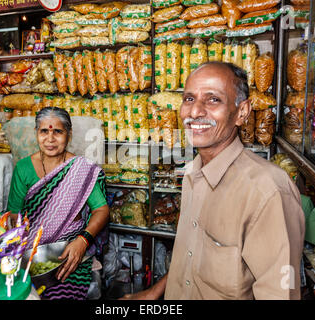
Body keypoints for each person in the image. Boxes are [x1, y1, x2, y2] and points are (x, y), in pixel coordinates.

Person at [121, 62, 305, 300]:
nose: (195, 112)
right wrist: (153, 293)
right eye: (188, 99)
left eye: (213, 100)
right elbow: (191, 255)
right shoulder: (192, 174)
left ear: (242, 112)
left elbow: (280, 294)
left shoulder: (268, 192)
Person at [7, 107, 109, 300]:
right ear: (36, 133)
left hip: (70, 249)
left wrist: (83, 241)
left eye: (58, 131)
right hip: (32, 252)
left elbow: (102, 210)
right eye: (44, 131)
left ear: (68, 135)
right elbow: (14, 214)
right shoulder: (23, 168)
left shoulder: (82, 168)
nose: (50, 138)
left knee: (60, 294)